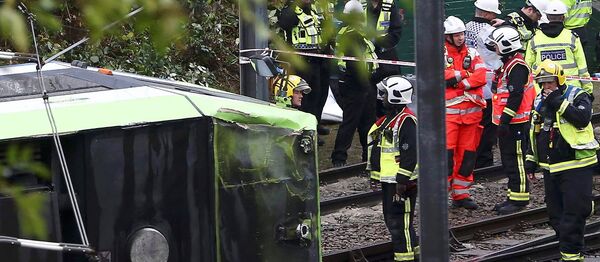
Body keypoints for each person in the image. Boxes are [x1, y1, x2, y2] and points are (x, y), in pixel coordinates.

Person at [525, 59, 598, 262]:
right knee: (556, 216)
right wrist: (531, 161)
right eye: (543, 83)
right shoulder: (539, 101)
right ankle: (573, 244)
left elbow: (582, 118)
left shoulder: (577, 95)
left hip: (577, 164)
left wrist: (558, 102)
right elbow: (534, 132)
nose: (547, 86)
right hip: (551, 167)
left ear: (559, 79)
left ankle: (572, 257)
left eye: (550, 82)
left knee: (573, 214)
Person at [366, 75, 418, 262]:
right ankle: (415, 253)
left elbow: (410, 154)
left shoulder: (406, 121)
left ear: (396, 96)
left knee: (399, 222)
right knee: (394, 220)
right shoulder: (390, 120)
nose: (382, 97)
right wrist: (375, 176)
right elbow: (379, 152)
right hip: (391, 181)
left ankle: (405, 258)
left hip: (401, 182)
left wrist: (402, 181)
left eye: (385, 94)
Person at [485, 26, 537, 214]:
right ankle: (513, 196)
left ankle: (520, 199)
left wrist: (505, 121)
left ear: (506, 46)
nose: (494, 48)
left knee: (517, 161)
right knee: (508, 161)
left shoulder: (516, 67)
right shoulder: (508, 64)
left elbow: (515, 97)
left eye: (497, 45)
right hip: (509, 123)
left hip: (515, 124)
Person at [444, 16, 487, 210]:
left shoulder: (473, 52)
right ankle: (441, 194)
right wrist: (465, 76)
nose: (461, 38)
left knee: (467, 156)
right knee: (446, 156)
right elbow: (442, 77)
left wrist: (459, 80)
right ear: (448, 37)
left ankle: (461, 194)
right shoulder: (441, 54)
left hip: (471, 116)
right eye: (456, 35)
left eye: (462, 34)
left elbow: (481, 76)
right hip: (449, 117)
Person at [277, 0, 333, 144]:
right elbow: (285, 23)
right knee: (305, 100)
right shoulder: (290, 11)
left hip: (317, 60)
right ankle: (305, 131)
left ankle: (314, 126)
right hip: (300, 61)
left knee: (319, 96)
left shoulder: (314, 10)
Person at [330, 0, 378, 167]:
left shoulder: (354, 32)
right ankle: (339, 159)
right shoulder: (351, 34)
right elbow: (354, 63)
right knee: (351, 122)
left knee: (367, 123)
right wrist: (366, 85)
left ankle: (368, 155)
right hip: (354, 84)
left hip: (361, 83)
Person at [525, 1, 593, 95]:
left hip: (542, 90)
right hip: (570, 90)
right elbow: (583, 69)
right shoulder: (572, 38)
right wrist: (588, 90)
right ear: (564, 17)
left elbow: (527, 67)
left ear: (547, 17)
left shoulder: (535, 38)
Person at [465, 0, 503, 168]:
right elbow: (502, 48)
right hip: (488, 86)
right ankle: (484, 161)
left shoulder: (466, 27)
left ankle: (471, 159)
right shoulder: (490, 31)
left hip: (470, 83)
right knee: (488, 126)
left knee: (472, 124)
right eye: (494, 14)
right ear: (488, 14)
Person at [360, 0, 403, 117]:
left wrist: (378, 43)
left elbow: (396, 31)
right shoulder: (361, 4)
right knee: (368, 102)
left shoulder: (389, 4)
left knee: (390, 97)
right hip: (366, 58)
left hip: (386, 58)